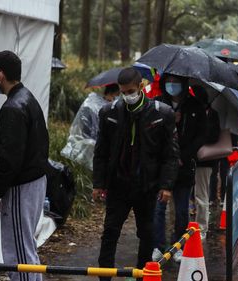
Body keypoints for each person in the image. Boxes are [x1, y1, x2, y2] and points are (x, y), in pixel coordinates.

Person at [92, 67, 179, 280]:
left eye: (130, 90)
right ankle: (104, 276)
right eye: (123, 92)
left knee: (147, 234)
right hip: (118, 185)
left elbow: (170, 154)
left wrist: (166, 186)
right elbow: (101, 151)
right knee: (110, 232)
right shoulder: (109, 112)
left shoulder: (161, 113)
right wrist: (98, 183)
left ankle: (142, 274)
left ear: (141, 86)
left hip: (146, 186)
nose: (127, 95)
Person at [0, 51, 49, 281]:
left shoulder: (13, 107)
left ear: (0, 75)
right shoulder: (27, 98)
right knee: (26, 247)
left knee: (18, 253)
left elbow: (9, 159)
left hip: (22, 186)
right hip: (33, 182)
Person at [153, 74, 207, 262]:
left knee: (182, 210)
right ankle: (158, 246)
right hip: (162, 167)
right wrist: (170, 120)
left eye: (177, 82)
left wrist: (185, 156)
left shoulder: (195, 106)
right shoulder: (157, 104)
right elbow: (151, 132)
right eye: (169, 82)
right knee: (158, 209)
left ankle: (178, 246)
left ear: (184, 84)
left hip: (184, 168)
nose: (172, 86)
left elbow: (201, 135)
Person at [61, 84, 120, 170]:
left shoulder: (111, 106)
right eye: (116, 94)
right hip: (89, 141)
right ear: (112, 93)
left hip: (100, 144)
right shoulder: (93, 103)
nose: (117, 97)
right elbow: (85, 122)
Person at [192, 85, 220, 240]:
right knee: (196, 195)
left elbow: (213, 137)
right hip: (192, 159)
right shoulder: (192, 113)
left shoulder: (212, 115)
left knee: (201, 195)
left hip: (205, 161)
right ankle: (196, 227)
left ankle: (202, 228)